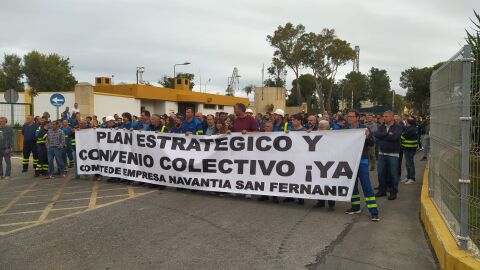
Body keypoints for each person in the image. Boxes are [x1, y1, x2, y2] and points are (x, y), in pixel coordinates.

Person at [343, 110, 380, 221]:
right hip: (349, 161)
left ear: (357, 118)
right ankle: (355, 207)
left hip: (362, 161)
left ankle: (374, 212)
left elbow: (372, 143)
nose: (349, 118)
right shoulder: (345, 130)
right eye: (348, 116)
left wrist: (368, 136)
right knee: (353, 186)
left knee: (366, 186)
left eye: (351, 116)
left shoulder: (364, 129)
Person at [374, 110, 403, 200]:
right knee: (381, 173)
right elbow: (376, 134)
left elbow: (395, 137)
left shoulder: (398, 127)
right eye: (384, 116)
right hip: (382, 153)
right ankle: (382, 190)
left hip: (393, 154)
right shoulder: (381, 126)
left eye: (386, 116)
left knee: (393, 174)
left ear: (392, 117)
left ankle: (393, 192)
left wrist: (383, 136)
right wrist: (387, 134)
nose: (384, 118)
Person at [282, 114, 307, 205]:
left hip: (300, 158)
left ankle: (301, 197)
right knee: (289, 177)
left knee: (299, 177)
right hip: (290, 157)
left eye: (294, 120)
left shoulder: (304, 131)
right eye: (292, 120)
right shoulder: (290, 131)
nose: (292, 121)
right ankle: (290, 196)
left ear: (299, 121)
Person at [313, 120, 336, 211]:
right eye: (319, 127)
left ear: (327, 128)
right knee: (319, 182)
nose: (319, 129)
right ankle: (320, 201)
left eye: (321, 127)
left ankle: (331, 204)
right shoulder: (315, 135)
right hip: (318, 162)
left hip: (329, 163)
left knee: (329, 184)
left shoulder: (333, 136)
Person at [257, 121, 279, 203]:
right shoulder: (260, 135)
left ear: (272, 128)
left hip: (273, 161)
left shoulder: (277, 136)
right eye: (265, 126)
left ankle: (274, 196)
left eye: (268, 126)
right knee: (263, 178)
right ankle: (264, 195)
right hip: (263, 160)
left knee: (273, 179)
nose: (266, 128)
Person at [400, 118, 419, 184]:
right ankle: (408, 177)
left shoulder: (411, 129)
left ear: (409, 123)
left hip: (409, 148)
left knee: (410, 164)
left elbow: (402, 136)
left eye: (406, 121)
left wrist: (402, 135)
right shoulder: (413, 128)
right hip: (408, 148)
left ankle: (412, 178)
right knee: (408, 163)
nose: (405, 122)